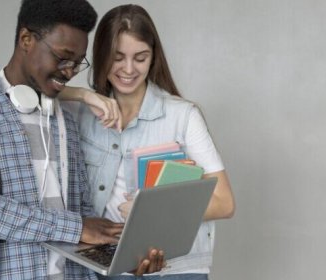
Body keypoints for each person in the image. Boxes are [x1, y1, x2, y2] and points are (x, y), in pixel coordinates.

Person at [0, 1, 164, 279]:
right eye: (62, 58)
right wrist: (74, 227)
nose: (69, 72)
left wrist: (122, 256)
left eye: (78, 63)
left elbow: (84, 212)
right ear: (26, 40)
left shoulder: (64, 117)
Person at [60, 4, 235, 280]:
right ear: (101, 55)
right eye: (117, 57)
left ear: (153, 57)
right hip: (106, 264)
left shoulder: (183, 116)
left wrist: (149, 212)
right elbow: (33, 90)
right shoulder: (82, 113)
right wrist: (83, 94)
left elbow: (224, 203)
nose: (128, 69)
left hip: (176, 268)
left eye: (140, 57)